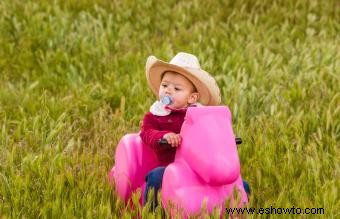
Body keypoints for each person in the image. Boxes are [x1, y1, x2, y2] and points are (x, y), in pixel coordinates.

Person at [140, 52, 249, 210]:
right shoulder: (156, 115)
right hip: (171, 166)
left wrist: (225, 139)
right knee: (157, 177)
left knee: (241, 186)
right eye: (164, 86)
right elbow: (146, 133)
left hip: (198, 167)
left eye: (177, 88)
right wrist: (164, 136)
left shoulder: (201, 115)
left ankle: (238, 210)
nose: (168, 91)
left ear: (192, 98)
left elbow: (213, 132)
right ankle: (151, 211)